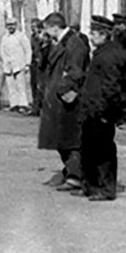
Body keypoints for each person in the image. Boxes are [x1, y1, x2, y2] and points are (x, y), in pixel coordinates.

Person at [38, 12, 89, 191]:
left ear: (54, 27)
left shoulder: (74, 43)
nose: (44, 33)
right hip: (57, 97)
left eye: (46, 29)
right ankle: (69, 170)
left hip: (67, 98)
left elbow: (76, 71)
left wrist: (62, 88)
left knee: (70, 137)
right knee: (59, 137)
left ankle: (76, 175)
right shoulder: (58, 42)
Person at [79, 16, 126, 201]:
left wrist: (104, 112)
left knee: (103, 151)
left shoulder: (108, 55)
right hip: (94, 110)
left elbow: (111, 87)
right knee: (91, 148)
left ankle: (106, 189)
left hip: (101, 112)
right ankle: (91, 186)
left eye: (93, 33)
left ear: (103, 34)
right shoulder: (103, 52)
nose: (90, 36)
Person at [0, 18, 32, 114]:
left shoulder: (21, 36)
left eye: (12, 25)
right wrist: (5, 62)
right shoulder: (5, 38)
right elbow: (2, 51)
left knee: (21, 86)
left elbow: (28, 50)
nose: (11, 27)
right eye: (9, 25)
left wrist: (27, 63)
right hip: (8, 65)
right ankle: (14, 104)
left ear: (16, 25)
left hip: (19, 64)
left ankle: (23, 104)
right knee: (11, 86)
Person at [29, 18, 49, 117]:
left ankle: (39, 108)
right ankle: (35, 107)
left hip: (42, 64)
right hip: (34, 63)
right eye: (31, 27)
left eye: (34, 27)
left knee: (41, 86)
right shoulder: (33, 37)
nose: (32, 29)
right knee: (34, 85)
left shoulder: (44, 36)